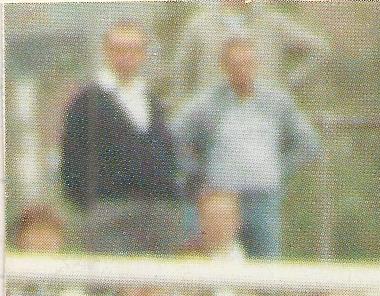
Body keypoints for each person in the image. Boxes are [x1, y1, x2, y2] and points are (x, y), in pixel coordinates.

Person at [171, 36, 321, 259]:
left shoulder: (277, 102)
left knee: (265, 266)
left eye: (247, 63)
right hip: (220, 200)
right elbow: (173, 137)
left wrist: (278, 170)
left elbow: (308, 144)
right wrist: (196, 175)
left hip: (263, 199)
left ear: (257, 64)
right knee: (210, 262)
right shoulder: (207, 104)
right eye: (235, 64)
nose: (242, 70)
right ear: (224, 66)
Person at [59, 21, 186, 255]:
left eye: (133, 50)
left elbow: (167, 153)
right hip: (109, 214)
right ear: (106, 52)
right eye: (118, 49)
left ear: (143, 54)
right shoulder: (86, 102)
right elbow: (72, 161)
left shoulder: (152, 100)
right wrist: (90, 207)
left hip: (158, 213)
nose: (126, 57)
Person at [167, 0, 328, 104]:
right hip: (214, 117)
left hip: (262, 114)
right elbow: (182, 71)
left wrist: (289, 84)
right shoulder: (200, 25)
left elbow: (320, 49)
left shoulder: (272, 22)